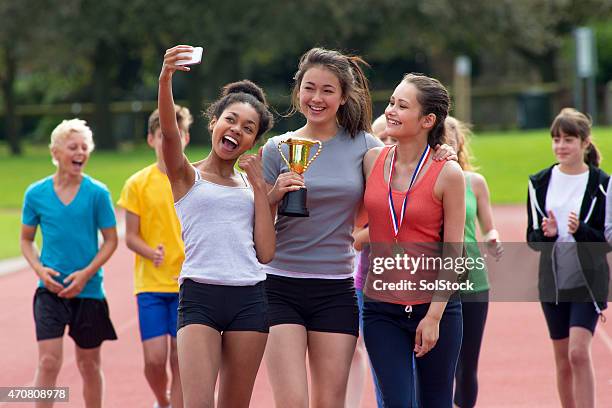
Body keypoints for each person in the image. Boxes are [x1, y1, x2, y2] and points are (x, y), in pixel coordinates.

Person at [158, 45, 276, 408]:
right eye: (230, 120)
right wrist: (165, 79)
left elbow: (266, 252)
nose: (236, 130)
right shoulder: (186, 176)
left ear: (253, 142)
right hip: (200, 297)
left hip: (249, 298)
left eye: (248, 128)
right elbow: (169, 135)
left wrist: (260, 189)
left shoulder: (251, 185)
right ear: (213, 122)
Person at [361, 73, 466, 407]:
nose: (390, 110)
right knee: (396, 403)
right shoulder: (371, 160)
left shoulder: (448, 173)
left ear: (427, 120)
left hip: (435, 309)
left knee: (435, 402)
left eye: (401, 105)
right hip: (380, 310)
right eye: (391, 101)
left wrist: (433, 317)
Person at [20, 119, 118, 408]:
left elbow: (111, 240)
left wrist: (86, 274)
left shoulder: (98, 193)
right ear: (55, 152)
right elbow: (26, 240)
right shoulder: (35, 194)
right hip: (49, 291)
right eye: (73, 147)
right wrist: (39, 270)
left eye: (85, 147)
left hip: (89, 292)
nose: (80, 152)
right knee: (48, 361)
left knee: (89, 366)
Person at [527, 108, 609, 408]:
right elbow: (532, 239)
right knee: (562, 359)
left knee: (578, 352)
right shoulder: (538, 183)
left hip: (588, 282)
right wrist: (547, 234)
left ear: (585, 143)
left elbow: (606, 240)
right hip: (553, 283)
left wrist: (581, 230)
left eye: (569, 140)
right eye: (556, 139)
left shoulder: (602, 184)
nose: (561, 146)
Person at [117, 105, 193, 408]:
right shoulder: (137, 183)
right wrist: (150, 252)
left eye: (175, 135)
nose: (169, 142)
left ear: (186, 137)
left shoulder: (192, 179)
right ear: (151, 139)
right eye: (163, 135)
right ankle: (161, 400)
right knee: (154, 359)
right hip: (150, 285)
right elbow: (131, 236)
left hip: (186, 284)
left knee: (179, 358)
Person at [444, 116, 502, 408]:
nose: (446, 147)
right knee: (438, 363)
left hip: (473, 281)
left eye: (450, 142)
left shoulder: (474, 183)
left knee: (467, 365)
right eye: (440, 141)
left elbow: (488, 225)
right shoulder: (422, 183)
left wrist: (492, 237)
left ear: (459, 145)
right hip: (432, 280)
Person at [348, 114, 392, 408]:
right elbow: (356, 236)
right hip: (367, 281)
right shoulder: (361, 184)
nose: (386, 144)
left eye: (391, 137)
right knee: (375, 357)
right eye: (380, 138)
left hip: (417, 282)